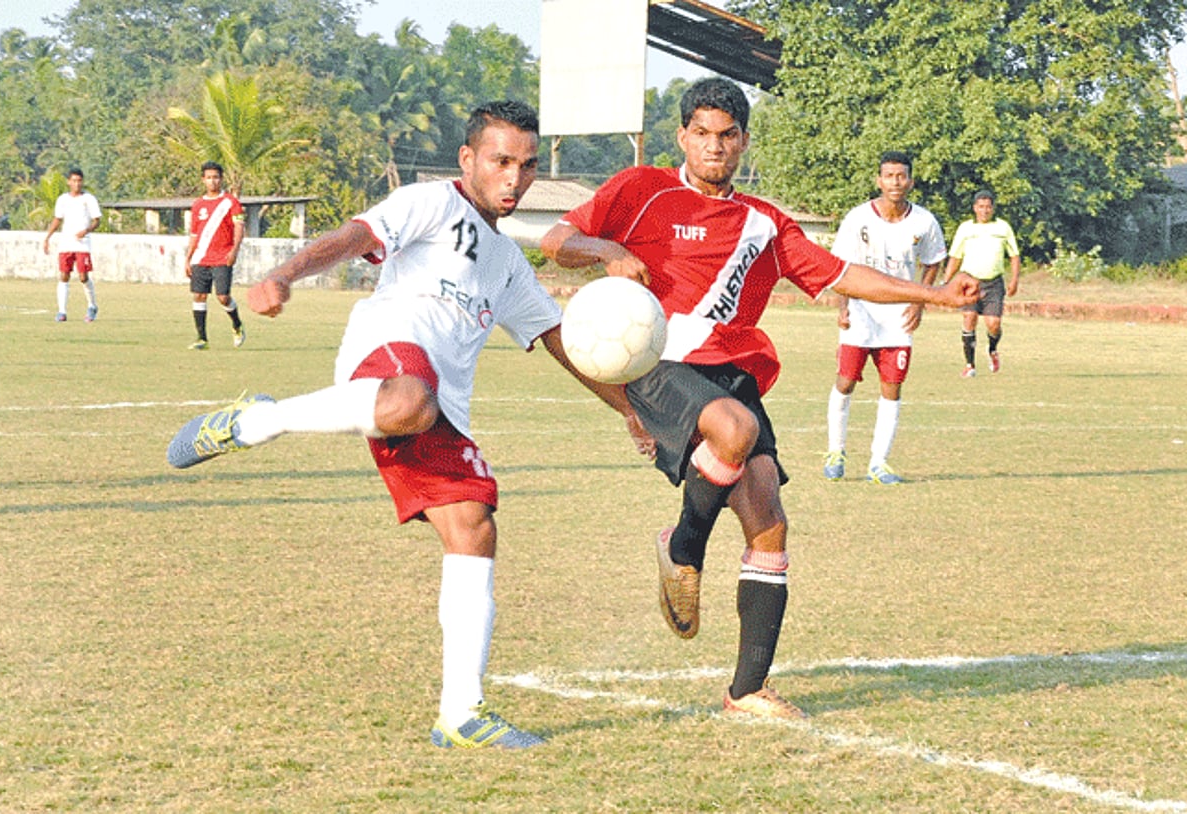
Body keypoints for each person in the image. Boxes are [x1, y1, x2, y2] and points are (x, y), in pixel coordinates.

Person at [166, 101, 641, 749]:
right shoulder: (429, 203)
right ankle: (259, 420)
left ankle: (462, 713)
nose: (515, 178)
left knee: (473, 525)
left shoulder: (507, 261)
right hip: (388, 358)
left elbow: (562, 343)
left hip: (437, 404)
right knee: (410, 401)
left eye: (527, 166)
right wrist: (282, 274)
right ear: (468, 159)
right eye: (502, 162)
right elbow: (356, 237)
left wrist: (632, 415)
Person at [541, 78, 978, 719]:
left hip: (732, 369)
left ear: (743, 141)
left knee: (768, 520)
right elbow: (555, 241)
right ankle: (685, 547)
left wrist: (934, 296)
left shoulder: (764, 222)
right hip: (661, 361)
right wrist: (607, 250)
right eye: (701, 133)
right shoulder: (638, 189)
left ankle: (746, 690)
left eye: (727, 135)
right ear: (682, 135)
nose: (713, 146)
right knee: (735, 430)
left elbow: (840, 275)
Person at [822, 151, 948, 486]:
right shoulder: (858, 218)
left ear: (911, 181)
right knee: (846, 380)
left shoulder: (924, 222)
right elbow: (842, 266)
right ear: (879, 180)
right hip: (861, 310)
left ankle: (878, 463)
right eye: (888, 175)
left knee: (892, 387)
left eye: (901, 176)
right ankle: (836, 451)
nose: (895, 182)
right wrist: (843, 305)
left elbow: (933, 260)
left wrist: (919, 301)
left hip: (899, 316)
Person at [943, 189, 1021, 377]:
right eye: (981, 207)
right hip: (970, 282)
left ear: (993, 208)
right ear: (974, 208)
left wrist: (1015, 280)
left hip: (994, 282)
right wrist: (945, 281)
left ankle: (992, 349)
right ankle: (970, 365)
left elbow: (1014, 255)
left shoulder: (1003, 228)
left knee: (993, 324)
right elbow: (955, 256)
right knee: (969, 318)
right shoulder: (966, 229)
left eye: (988, 207)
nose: (984, 210)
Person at [184, 161, 247, 350]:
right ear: (203, 180)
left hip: (223, 256)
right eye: (209, 177)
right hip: (201, 258)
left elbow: (239, 227)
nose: (212, 181)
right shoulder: (198, 205)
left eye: (216, 177)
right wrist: (188, 258)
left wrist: (234, 250)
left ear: (221, 179)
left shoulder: (230, 202)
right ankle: (202, 338)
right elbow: (194, 235)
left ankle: (237, 324)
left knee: (223, 297)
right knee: (199, 295)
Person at [42, 168, 102, 322]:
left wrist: (86, 230)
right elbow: (57, 219)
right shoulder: (62, 199)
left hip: (82, 243)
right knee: (64, 275)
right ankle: (62, 311)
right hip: (66, 243)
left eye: (79, 181)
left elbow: (97, 220)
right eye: (74, 180)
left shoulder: (88, 199)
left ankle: (92, 306)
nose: (77, 184)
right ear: (69, 182)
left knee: (83, 276)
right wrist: (48, 237)